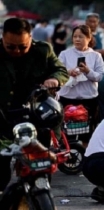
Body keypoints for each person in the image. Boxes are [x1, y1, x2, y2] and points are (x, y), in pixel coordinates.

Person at [0, 18, 69, 192]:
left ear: (31, 37)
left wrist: (54, 79)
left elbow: (61, 70)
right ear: (2, 39)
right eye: (10, 47)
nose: (17, 51)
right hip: (2, 117)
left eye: (23, 46)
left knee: (41, 170)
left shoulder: (43, 50)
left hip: (35, 117)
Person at [58, 24, 104, 148]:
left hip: (89, 100)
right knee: (67, 132)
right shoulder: (65, 54)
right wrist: (69, 72)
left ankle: (86, 156)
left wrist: (87, 71)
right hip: (68, 98)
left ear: (89, 38)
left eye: (81, 36)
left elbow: (100, 77)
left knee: (88, 133)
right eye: (75, 37)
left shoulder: (96, 56)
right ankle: (68, 157)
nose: (77, 39)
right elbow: (58, 72)